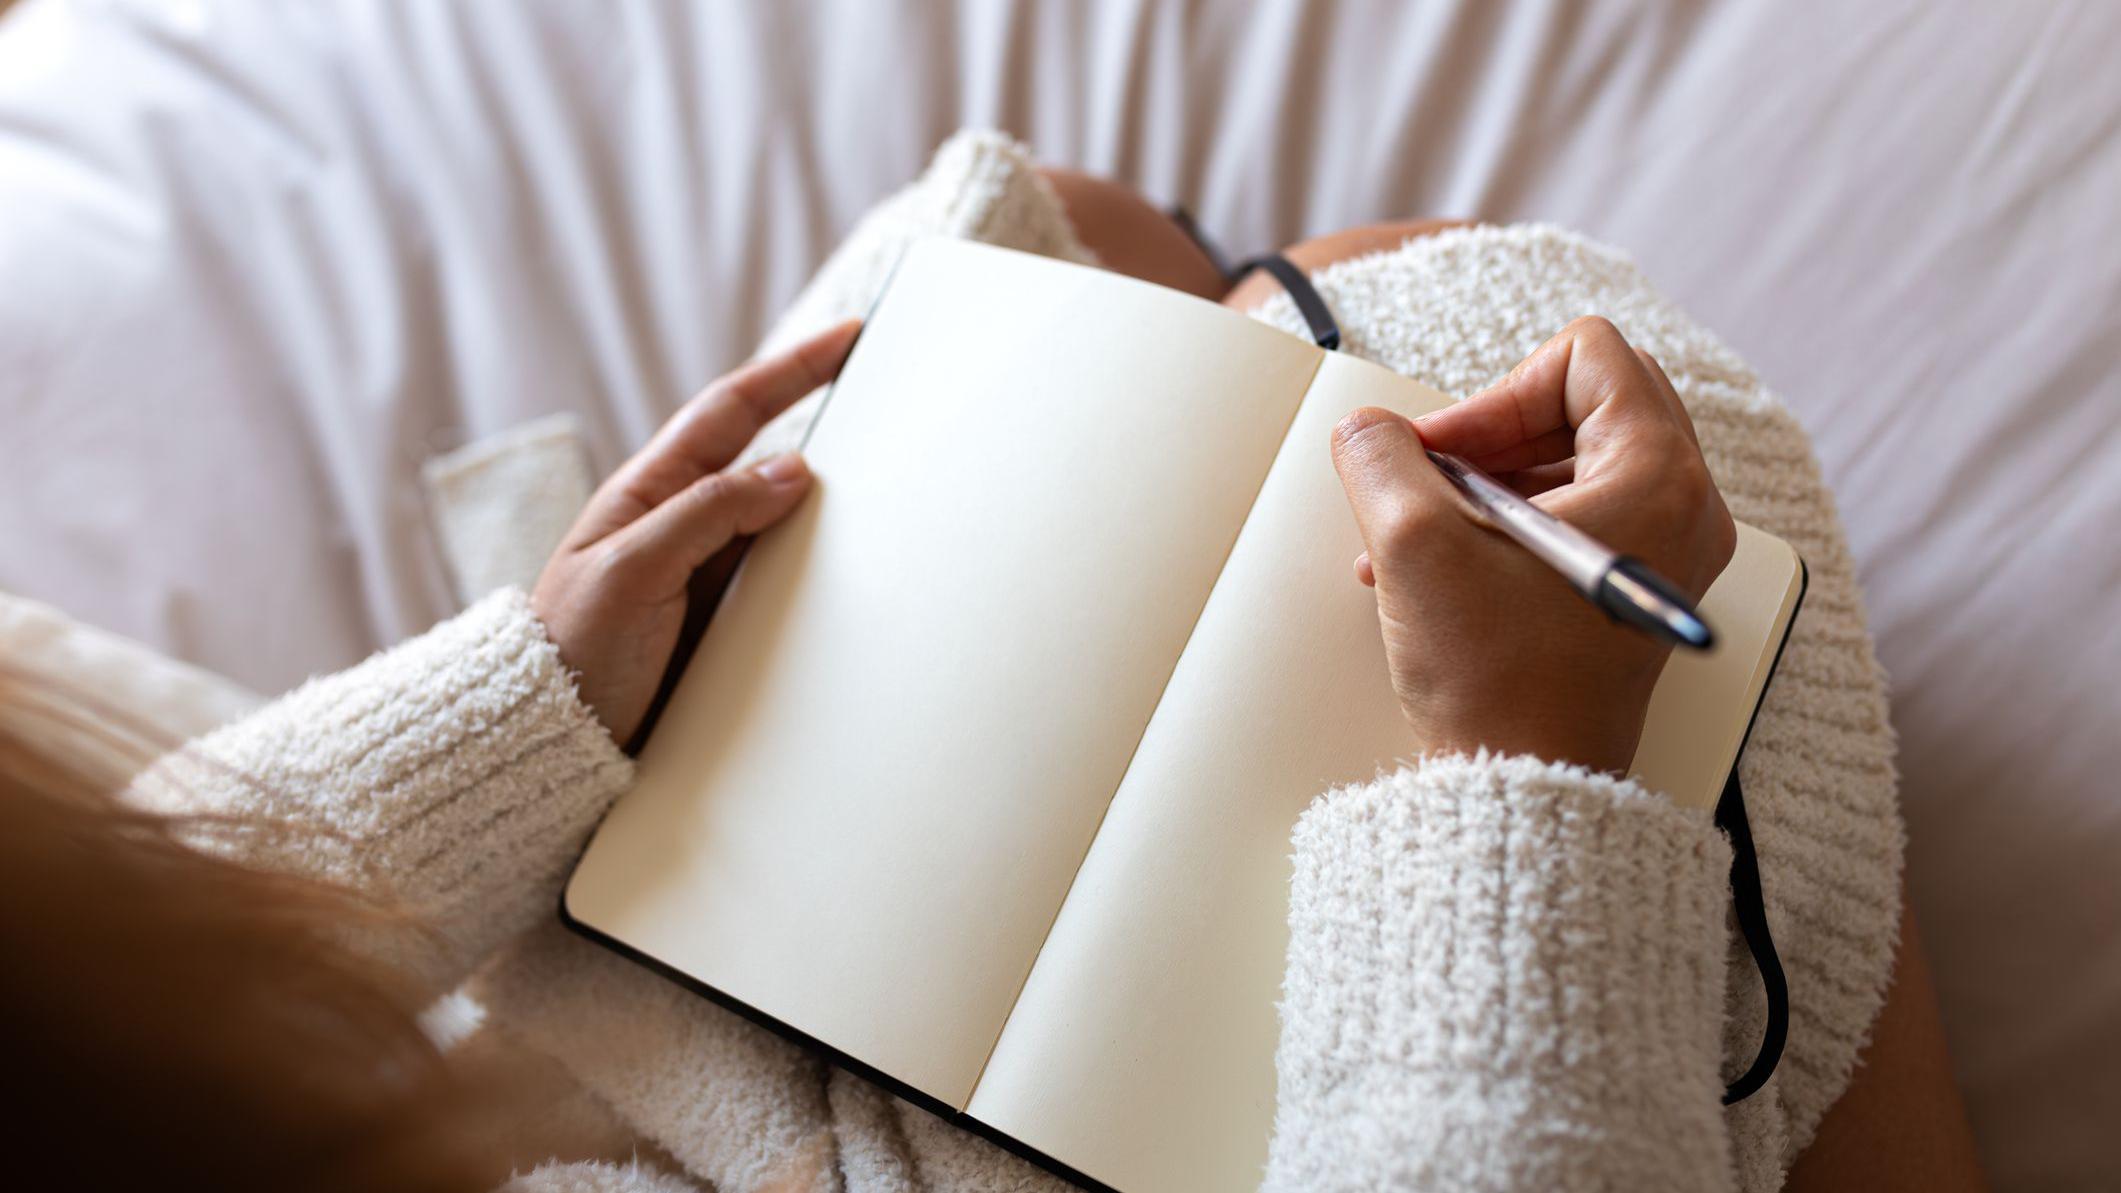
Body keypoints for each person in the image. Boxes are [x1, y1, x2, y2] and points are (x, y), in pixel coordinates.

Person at [0, 132, 1982, 1191]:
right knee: (1507, 328)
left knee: (1050, 257)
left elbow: (113, 969)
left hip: (619, 947)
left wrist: (526, 691)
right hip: (828, 1085)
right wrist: (1515, 782)